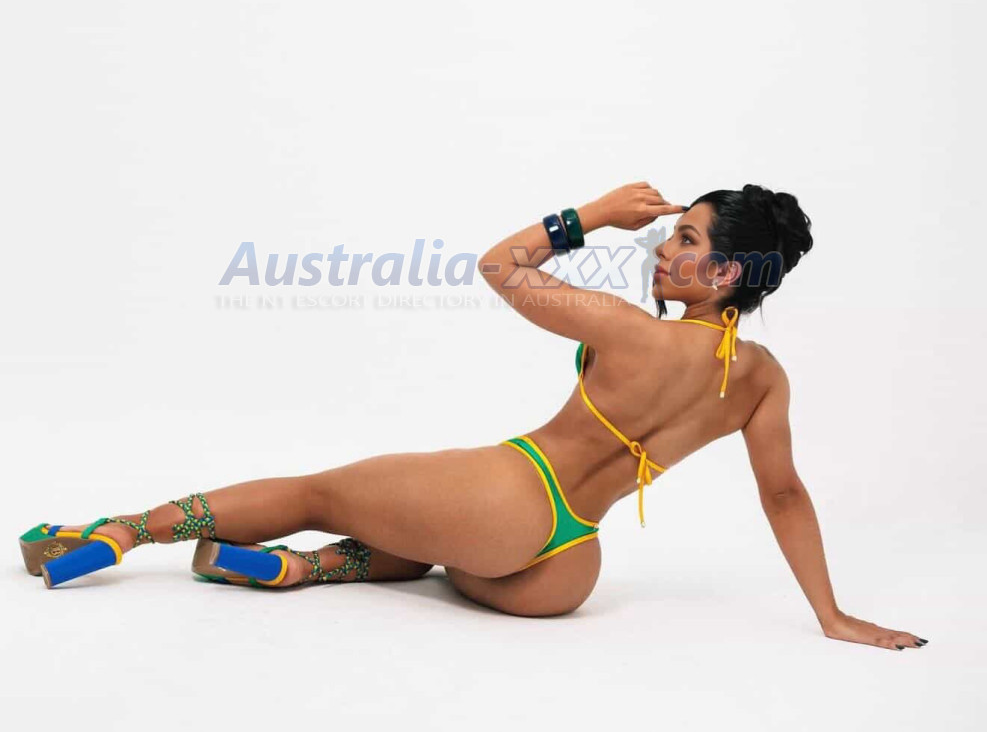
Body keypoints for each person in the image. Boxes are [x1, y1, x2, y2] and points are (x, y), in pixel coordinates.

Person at [19, 182, 928, 650]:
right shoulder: (763, 379)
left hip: (508, 499)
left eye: (684, 238)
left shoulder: (630, 331)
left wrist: (589, 214)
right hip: (567, 571)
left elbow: (501, 265)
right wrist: (831, 615)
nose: (661, 245)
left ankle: (118, 532)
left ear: (726, 272)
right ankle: (299, 571)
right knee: (427, 550)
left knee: (318, 490)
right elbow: (783, 496)